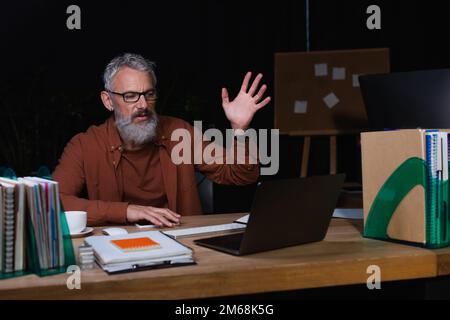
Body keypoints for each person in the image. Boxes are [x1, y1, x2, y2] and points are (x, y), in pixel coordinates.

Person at [53, 53, 271, 227]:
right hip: (117, 249)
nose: (142, 105)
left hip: (183, 245)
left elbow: (242, 176)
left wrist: (240, 129)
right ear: (108, 101)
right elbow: (55, 203)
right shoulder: (84, 145)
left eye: (149, 94)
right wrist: (128, 211)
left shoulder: (179, 132)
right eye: (130, 96)